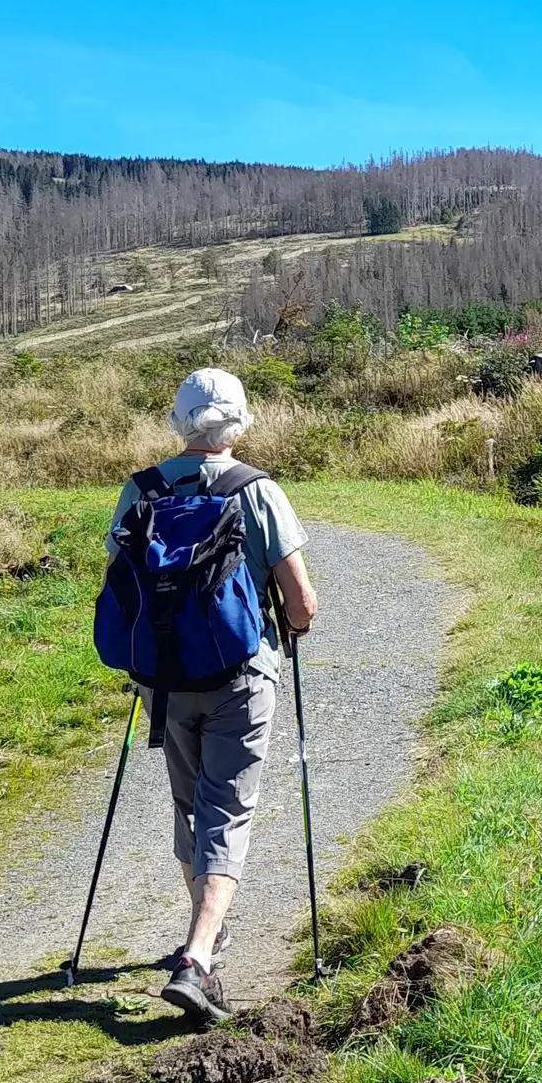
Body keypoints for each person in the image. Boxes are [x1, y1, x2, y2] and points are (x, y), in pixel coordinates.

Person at [105, 367, 317, 1024]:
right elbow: (303, 604)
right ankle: (197, 959)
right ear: (240, 424)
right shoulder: (258, 491)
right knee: (227, 811)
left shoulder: (139, 491)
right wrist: (291, 624)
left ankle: (207, 933)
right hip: (241, 676)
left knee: (190, 808)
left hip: (164, 680)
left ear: (178, 422)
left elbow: (121, 587)